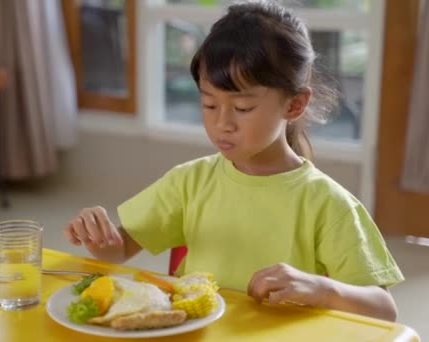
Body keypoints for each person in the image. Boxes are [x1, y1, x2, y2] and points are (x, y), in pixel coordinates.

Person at [63, 0, 403, 321]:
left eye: (243, 108)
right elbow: (117, 252)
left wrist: (324, 289)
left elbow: (384, 310)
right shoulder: (189, 182)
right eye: (209, 104)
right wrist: (98, 236)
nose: (222, 123)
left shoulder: (329, 205)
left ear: (294, 105)